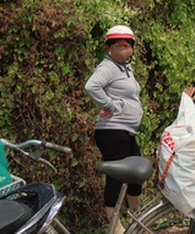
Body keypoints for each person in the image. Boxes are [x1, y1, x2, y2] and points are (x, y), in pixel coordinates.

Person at [84, 25, 144, 234]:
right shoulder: (108, 67)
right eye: (117, 45)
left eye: (126, 45)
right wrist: (109, 105)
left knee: (137, 175)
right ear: (109, 48)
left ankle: (136, 216)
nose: (122, 49)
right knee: (117, 179)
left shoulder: (124, 68)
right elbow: (91, 87)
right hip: (111, 131)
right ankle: (116, 227)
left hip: (124, 132)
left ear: (132, 48)